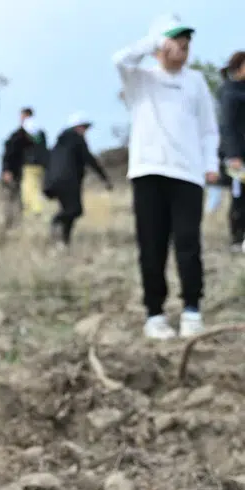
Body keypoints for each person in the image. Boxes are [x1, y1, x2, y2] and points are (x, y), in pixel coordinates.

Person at [114, 14, 220, 340]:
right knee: (152, 245)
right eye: (175, 42)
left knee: (188, 242)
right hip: (148, 172)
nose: (182, 49)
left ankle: (191, 309)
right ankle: (155, 314)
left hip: (187, 175)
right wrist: (155, 43)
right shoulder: (140, 80)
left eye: (186, 44)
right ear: (160, 45)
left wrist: (210, 163)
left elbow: (208, 130)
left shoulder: (196, 82)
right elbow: (119, 58)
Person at [44, 113, 113, 246]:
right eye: (84, 127)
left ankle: (64, 241)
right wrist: (104, 179)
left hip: (53, 181)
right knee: (75, 210)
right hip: (68, 181)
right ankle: (56, 221)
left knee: (69, 209)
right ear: (77, 127)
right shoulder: (77, 139)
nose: (85, 131)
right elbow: (89, 159)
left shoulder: (59, 142)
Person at [220, 52, 245, 252]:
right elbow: (228, 126)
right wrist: (233, 155)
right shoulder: (229, 93)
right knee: (239, 197)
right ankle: (237, 239)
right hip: (237, 156)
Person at [0, 117, 35, 228]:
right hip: (10, 174)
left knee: (17, 199)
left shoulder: (25, 140)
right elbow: (7, 156)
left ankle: (16, 224)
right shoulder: (15, 139)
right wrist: (6, 171)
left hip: (17, 174)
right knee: (10, 199)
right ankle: (8, 223)